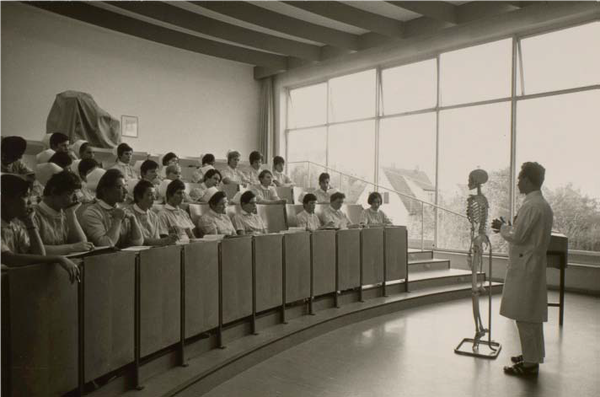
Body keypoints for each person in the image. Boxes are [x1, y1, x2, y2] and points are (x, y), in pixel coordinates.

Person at [492, 162, 554, 377]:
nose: (518, 182)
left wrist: (502, 228)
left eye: (520, 178)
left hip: (526, 266)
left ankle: (529, 364)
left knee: (524, 316)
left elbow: (518, 236)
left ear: (528, 180)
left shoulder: (531, 206)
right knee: (532, 316)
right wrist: (510, 227)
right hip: (533, 265)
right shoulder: (542, 205)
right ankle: (533, 356)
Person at [0, 174, 80, 283]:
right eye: (24, 196)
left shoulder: (14, 227)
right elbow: (10, 259)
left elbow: (39, 255)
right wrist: (58, 258)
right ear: (5, 199)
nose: (29, 202)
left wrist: (30, 222)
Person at [33, 170, 94, 255]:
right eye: (70, 194)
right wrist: (72, 247)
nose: (74, 199)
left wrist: (71, 214)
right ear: (53, 191)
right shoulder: (32, 215)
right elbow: (35, 249)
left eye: (75, 194)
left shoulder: (66, 213)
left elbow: (83, 244)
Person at [80, 169, 143, 247]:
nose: (125, 191)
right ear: (105, 190)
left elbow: (138, 243)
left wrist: (133, 219)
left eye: (125, 186)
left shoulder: (123, 210)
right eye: (119, 187)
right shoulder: (92, 213)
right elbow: (106, 244)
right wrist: (118, 219)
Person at [131, 180, 178, 246]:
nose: (154, 198)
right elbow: (138, 241)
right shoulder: (129, 214)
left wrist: (169, 240)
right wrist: (164, 241)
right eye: (150, 195)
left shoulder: (153, 216)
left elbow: (157, 240)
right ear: (138, 196)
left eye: (154, 195)